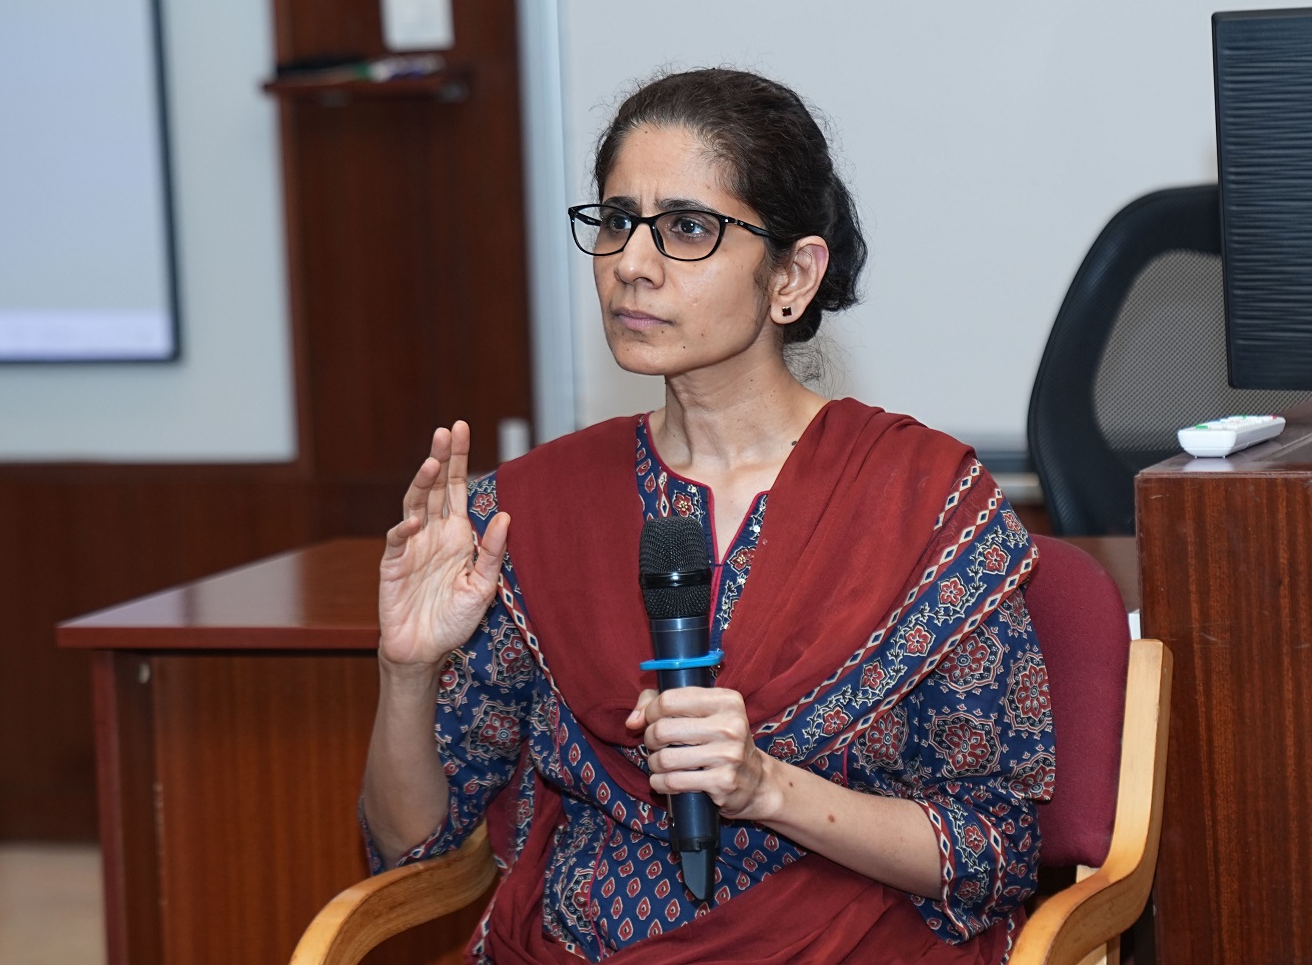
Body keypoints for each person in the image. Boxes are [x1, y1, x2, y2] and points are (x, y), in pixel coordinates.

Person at [361, 68, 1055, 964]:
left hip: (841, 943)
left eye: (687, 228)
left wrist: (768, 787)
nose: (632, 266)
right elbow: (411, 841)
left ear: (793, 276)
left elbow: (995, 854)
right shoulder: (525, 514)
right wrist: (406, 669)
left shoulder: (924, 505)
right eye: (616, 222)